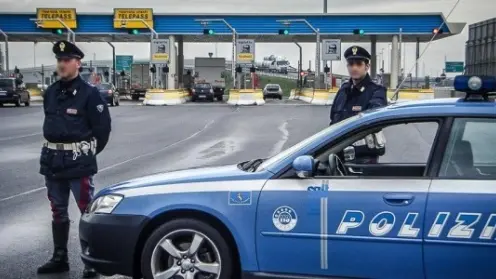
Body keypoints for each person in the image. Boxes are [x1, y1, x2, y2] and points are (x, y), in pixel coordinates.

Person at [37, 40, 111, 278]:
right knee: (57, 211)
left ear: (78, 63)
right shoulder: (51, 92)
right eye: (59, 60)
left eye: (67, 60)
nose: (62, 64)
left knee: (86, 212)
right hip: (52, 161)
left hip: (78, 163)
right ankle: (60, 258)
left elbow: (103, 131)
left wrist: (84, 152)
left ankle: (91, 262)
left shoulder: (90, 94)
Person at [330, 45, 387, 163]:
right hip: (340, 157)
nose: (354, 68)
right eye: (351, 64)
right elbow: (333, 123)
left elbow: (374, 121)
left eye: (358, 64)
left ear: (367, 66)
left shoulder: (376, 91)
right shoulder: (343, 91)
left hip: (364, 160)